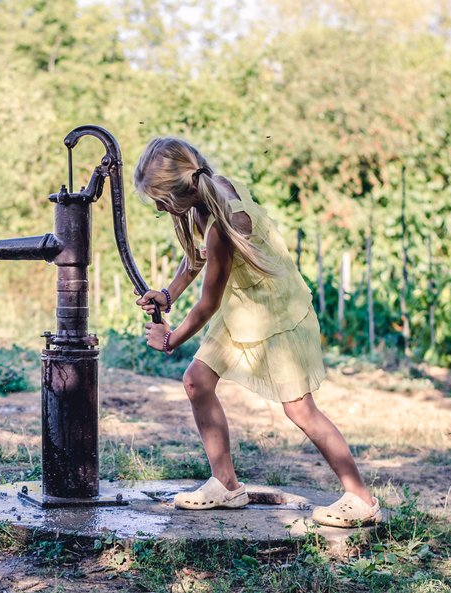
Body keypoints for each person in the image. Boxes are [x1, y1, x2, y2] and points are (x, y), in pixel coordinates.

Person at [133, 136, 381, 527]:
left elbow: (208, 304)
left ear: (180, 191)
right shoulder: (208, 199)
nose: (160, 209)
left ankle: (361, 497)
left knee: (301, 410)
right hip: (242, 310)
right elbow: (195, 262)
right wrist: (167, 294)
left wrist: (171, 339)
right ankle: (226, 483)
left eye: (160, 200)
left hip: (276, 315)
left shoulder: (223, 222)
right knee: (197, 381)